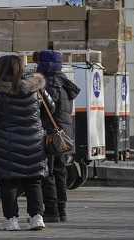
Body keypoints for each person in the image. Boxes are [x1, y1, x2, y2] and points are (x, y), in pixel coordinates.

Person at [0, 55, 54, 231]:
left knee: (9, 182)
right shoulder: (35, 87)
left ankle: (11, 220)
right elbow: (51, 107)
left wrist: (2, 116)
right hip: (35, 141)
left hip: (8, 142)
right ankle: (37, 217)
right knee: (33, 181)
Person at [36, 50, 80, 223]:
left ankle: (52, 210)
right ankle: (61, 210)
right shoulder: (63, 81)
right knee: (60, 172)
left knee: (49, 172)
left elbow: (50, 107)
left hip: (51, 134)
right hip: (63, 134)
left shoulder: (51, 82)